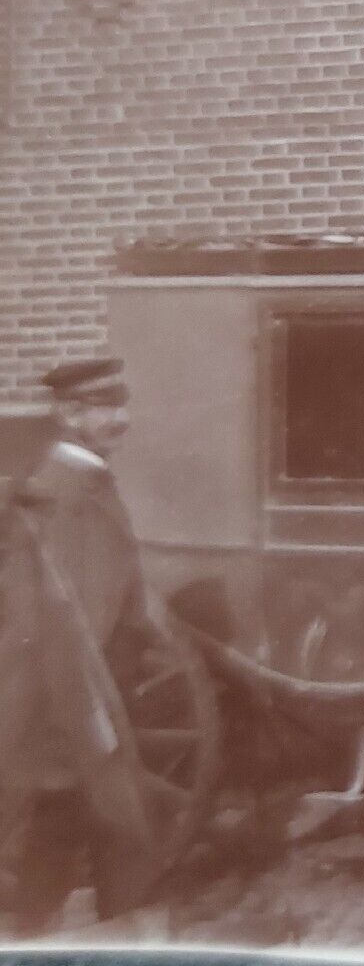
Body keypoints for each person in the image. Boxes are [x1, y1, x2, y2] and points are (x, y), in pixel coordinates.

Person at [0, 358, 158, 934]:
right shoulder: (62, 494)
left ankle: (35, 930)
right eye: (103, 409)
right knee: (110, 837)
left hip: (91, 702)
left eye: (123, 405)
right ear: (69, 415)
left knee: (63, 837)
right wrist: (88, 718)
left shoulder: (87, 479)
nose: (121, 419)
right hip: (78, 704)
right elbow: (67, 617)